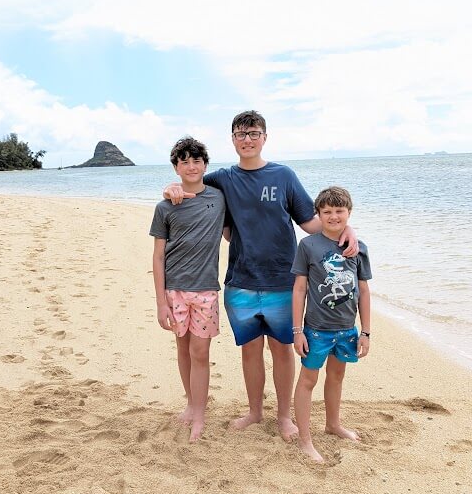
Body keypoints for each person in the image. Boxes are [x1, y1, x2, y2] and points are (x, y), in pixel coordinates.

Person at [163, 111, 357, 440]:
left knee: (281, 349)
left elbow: (311, 222)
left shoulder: (284, 176)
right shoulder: (223, 178)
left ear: (264, 137)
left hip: (282, 279)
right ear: (233, 140)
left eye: (254, 133)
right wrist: (170, 188)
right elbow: (191, 184)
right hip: (240, 280)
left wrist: (344, 229)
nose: (247, 139)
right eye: (241, 134)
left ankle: (283, 417)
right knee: (250, 350)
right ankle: (254, 412)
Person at [150, 137, 226, 441]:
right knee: (182, 347)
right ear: (176, 167)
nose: (191, 166)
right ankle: (191, 406)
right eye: (184, 161)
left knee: (200, 351)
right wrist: (160, 302)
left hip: (206, 289)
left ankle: (200, 415)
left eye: (196, 161)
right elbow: (157, 256)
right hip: (175, 290)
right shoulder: (165, 206)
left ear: (205, 165)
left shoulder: (219, 198)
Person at [291, 185, 371, 463]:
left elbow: (363, 291)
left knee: (337, 377)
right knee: (308, 380)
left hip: (347, 329)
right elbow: (299, 289)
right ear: (318, 214)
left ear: (349, 213)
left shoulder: (358, 248)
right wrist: (297, 331)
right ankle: (304, 438)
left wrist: (366, 332)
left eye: (340, 211)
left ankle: (333, 424)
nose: (334, 217)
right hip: (315, 330)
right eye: (327, 212)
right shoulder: (308, 246)